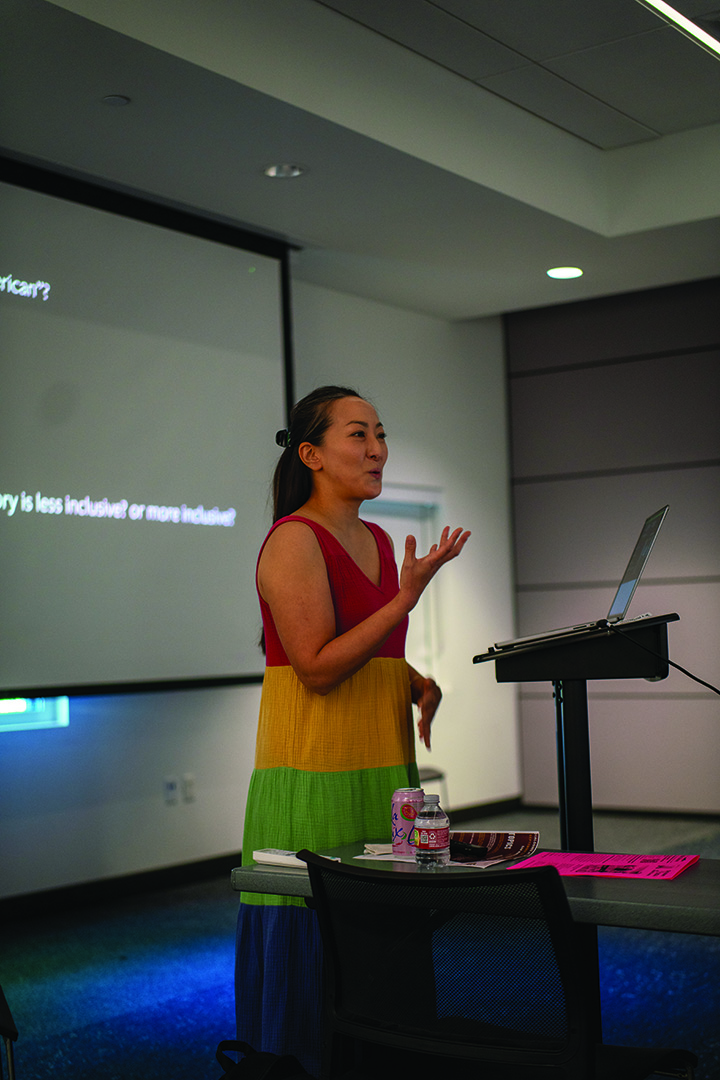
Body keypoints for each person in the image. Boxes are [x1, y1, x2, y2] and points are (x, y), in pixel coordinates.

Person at [235, 385, 470, 1074]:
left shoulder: (374, 537)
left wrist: (414, 680)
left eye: (381, 434)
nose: (378, 450)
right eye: (358, 435)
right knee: (320, 945)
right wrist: (406, 597)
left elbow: (364, 649)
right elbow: (314, 667)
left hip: (379, 765)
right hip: (314, 771)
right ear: (311, 454)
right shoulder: (292, 541)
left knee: (381, 945)